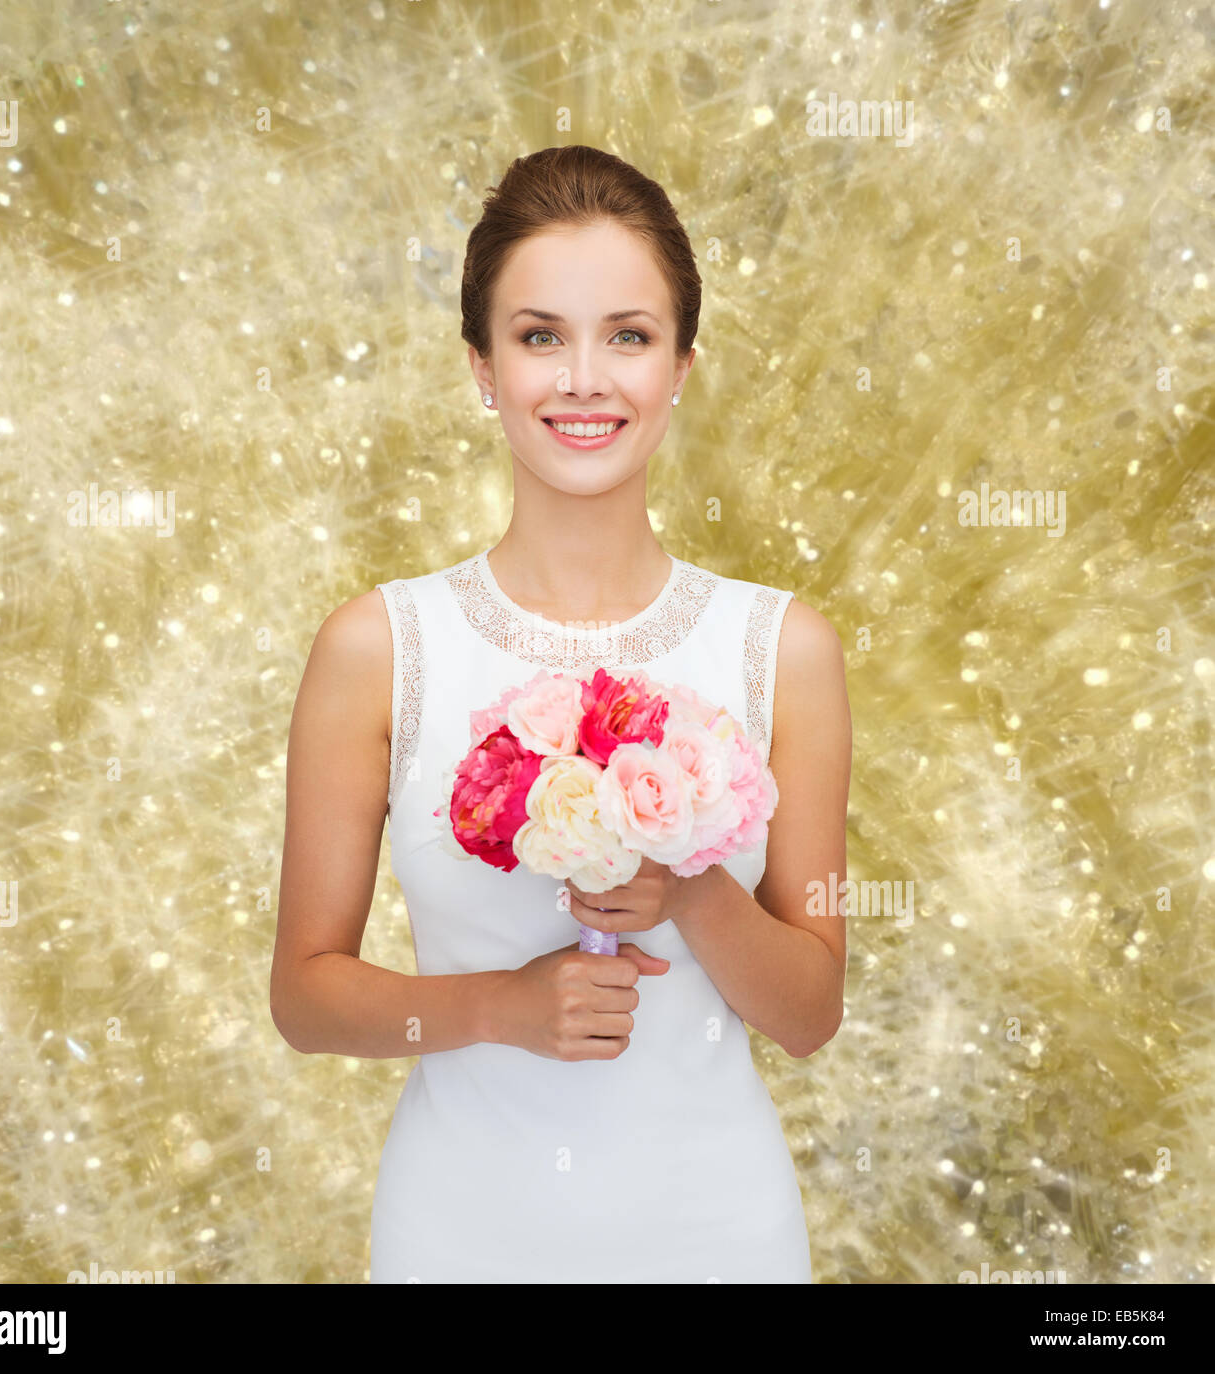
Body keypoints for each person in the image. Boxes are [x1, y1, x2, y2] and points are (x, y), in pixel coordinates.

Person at [269, 144, 851, 1283]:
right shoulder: (379, 648)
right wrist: (502, 1006)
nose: (584, 379)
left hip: (717, 1233)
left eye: (626, 336)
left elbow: (809, 1012)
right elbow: (304, 993)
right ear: (483, 368)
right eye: (541, 337)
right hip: (461, 1234)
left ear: (680, 365)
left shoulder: (783, 649)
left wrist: (686, 885)